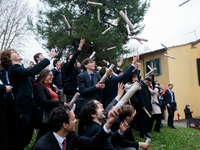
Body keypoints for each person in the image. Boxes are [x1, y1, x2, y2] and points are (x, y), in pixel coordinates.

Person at [0, 48, 57, 150]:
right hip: (22, 109)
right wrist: (48, 58)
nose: (17, 53)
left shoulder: (21, 69)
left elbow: (30, 76)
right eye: (13, 53)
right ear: (9, 59)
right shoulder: (13, 69)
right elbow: (32, 72)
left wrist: (31, 68)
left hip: (30, 108)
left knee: (27, 137)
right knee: (21, 138)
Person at [32, 105, 122, 150]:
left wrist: (109, 123)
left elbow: (92, 142)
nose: (76, 121)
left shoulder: (70, 136)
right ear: (65, 125)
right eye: (73, 119)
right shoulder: (42, 147)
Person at [33, 69, 68, 141]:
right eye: (50, 75)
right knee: (43, 138)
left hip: (55, 116)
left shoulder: (51, 88)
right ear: (44, 76)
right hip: (47, 118)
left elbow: (56, 100)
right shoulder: (40, 87)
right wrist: (61, 103)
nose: (52, 77)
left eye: (53, 75)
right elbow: (43, 102)